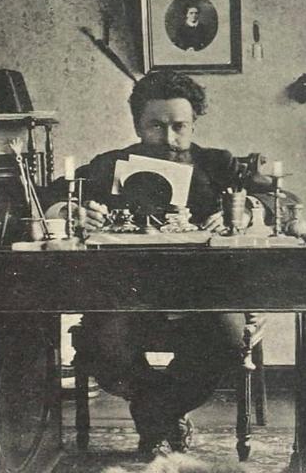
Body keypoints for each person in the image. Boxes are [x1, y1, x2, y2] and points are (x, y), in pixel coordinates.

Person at [47, 71, 270, 457]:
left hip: (205, 295)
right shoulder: (108, 165)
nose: (169, 138)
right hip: (125, 296)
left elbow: (278, 199)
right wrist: (71, 212)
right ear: (137, 125)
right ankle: (163, 415)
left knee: (229, 340)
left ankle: (153, 414)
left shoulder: (218, 164)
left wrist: (245, 211)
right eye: (156, 126)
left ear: (194, 123)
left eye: (179, 126)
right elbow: (48, 197)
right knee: (105, 347)